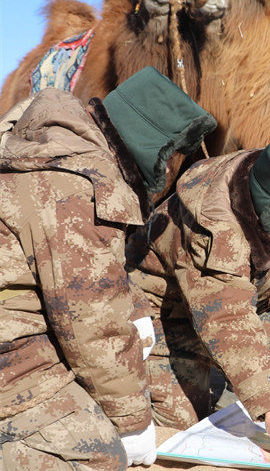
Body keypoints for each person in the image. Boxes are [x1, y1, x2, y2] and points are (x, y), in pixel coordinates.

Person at [0, 66, 216, 470]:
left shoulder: (59, 149)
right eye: (170, 157)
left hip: (21, 322)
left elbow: (85, 277)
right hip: (11, 348)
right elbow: (91, 324)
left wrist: (133, 313)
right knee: (95, 450)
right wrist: (131, 424)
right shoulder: (75, 186)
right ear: (150, 144)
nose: (170, 170)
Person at [125, 137, 270, 468]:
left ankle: (246, 398)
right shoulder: (213, 227)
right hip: (164, 315)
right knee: (183, 435)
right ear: (264, 197)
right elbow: (225, 317)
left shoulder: (263, 173)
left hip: (238, 294)